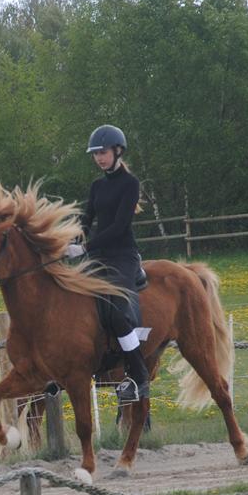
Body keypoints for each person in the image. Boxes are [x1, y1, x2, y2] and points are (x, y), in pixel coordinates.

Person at [67, 123, 150, 404]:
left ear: (117, 151)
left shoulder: (130, 184)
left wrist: (85, 247)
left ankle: (139, 375)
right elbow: (86, 221)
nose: (99, 158)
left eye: (102, 153)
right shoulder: (97, 186)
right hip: (98, 257)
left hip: (123, 256)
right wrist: (69, 241)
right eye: (95, 154)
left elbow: (118, 226)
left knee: (116, 313)